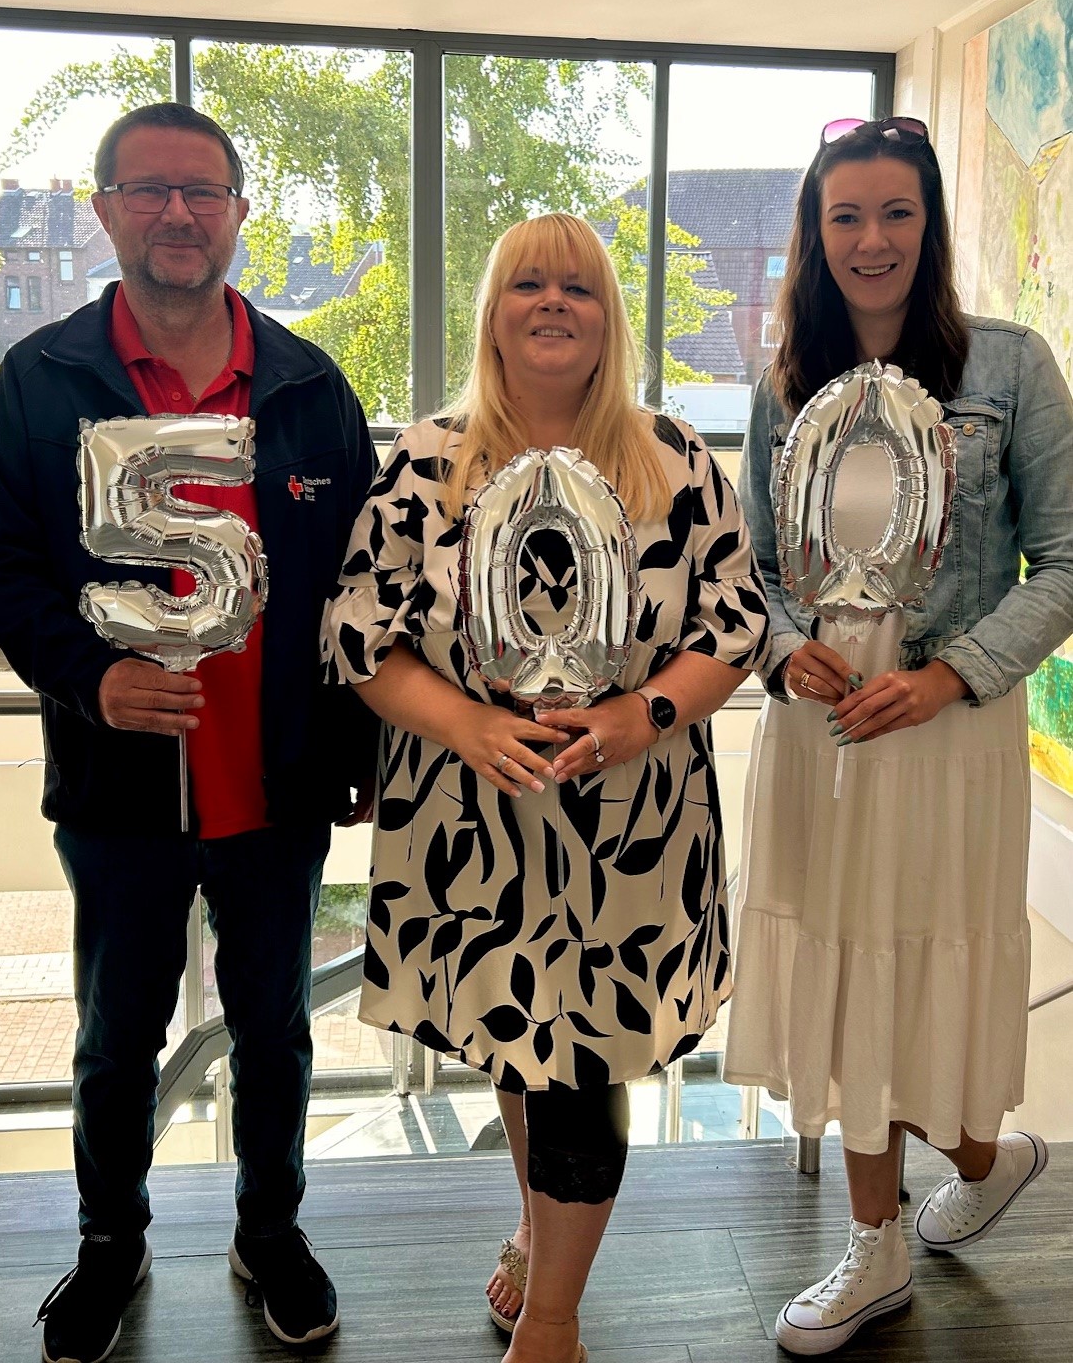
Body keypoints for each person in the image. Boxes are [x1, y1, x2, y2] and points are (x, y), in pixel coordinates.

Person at [323, 211, 769, 1363]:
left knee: (580, 1069)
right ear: (494, 310)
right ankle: (537, 1230)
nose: (554, 303)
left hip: (629, 833)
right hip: (472, 823)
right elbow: (360, 635)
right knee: (516, 1047)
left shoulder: (674, 455)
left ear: (607, 313)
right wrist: (468, 722)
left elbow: (733, 624)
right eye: (528, 284)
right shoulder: (425, 460)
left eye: (577, 285)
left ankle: (554, 1328)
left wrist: (641, 712)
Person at [0, 103, 378, 1362]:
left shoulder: (313, 387)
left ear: (238, 214)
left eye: (201, 192)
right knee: (115, 1039)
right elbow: (3, 568)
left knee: (275, 1032)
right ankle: (112, 1242)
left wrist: (358, 753)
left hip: (274, 788)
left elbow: (356, 590)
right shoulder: (39, 380)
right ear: (104, 208)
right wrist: (89, 678)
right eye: (149, 191)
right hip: (118, 790)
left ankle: (269, 1230)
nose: (176, 214)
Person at [722, 115, 1073, 1355]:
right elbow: (749, 571)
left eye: (894, 213)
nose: (870, 240)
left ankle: (970, 1163)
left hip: (943, 727)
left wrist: (949, 678)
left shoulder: (1011, 366)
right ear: (813, 237)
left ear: (927, 224)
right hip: (818, 731)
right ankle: (884, 1240)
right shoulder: (784, 386)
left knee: (909, 962)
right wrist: (777, 647)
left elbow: (1066, 562)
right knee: (836, 965)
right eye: (844, 216)